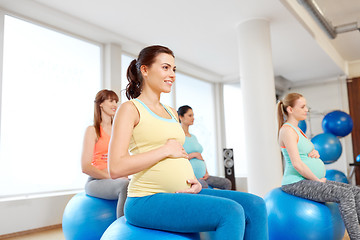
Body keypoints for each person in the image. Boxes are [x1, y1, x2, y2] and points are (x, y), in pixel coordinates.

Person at [108, 45, 268, 240]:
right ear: (145, 70)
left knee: (256, 205)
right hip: (146, 199)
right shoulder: (130, 109)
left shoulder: (171, 112)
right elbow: (115, 167)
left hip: (182, 193)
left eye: (174, 69)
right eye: (166, 67)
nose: (172, 75)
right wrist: (164, 150)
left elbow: (179, 154)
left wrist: (195, 182)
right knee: (231, 212)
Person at [277, 92, 360, 240]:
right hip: (296, 182)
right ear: (290, 109)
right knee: (345, 194)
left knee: (356, 191)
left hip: (310, 179)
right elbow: (297, 163)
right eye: (302, 107)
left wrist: (314, 152)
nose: (306, 110)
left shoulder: (299, 131)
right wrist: (316, 179)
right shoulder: (287, 130)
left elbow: (303, 152)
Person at [81, 89, 129, 218]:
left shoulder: (118, 132)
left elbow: (125, 159)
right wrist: (111, 176)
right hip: (96, 181)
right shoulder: (93, 130)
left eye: (116, 101)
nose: (115, 105)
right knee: (125, 186)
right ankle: (121, 230)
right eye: (111, 101)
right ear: (101, 104)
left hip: (116, 178)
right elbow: (85, 167)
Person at [178, 105, 232, 190]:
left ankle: (226, 203)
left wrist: (206, 172)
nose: (193, 118)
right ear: (181, 117)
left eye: (193, 115)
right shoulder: (179, 137)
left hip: (204, 175)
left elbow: (201, 157)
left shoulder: (193, 137)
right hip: (192, 177)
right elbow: (178, 158)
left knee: (227, 183)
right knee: (204, 186)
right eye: (190, 115)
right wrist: (194, 155)